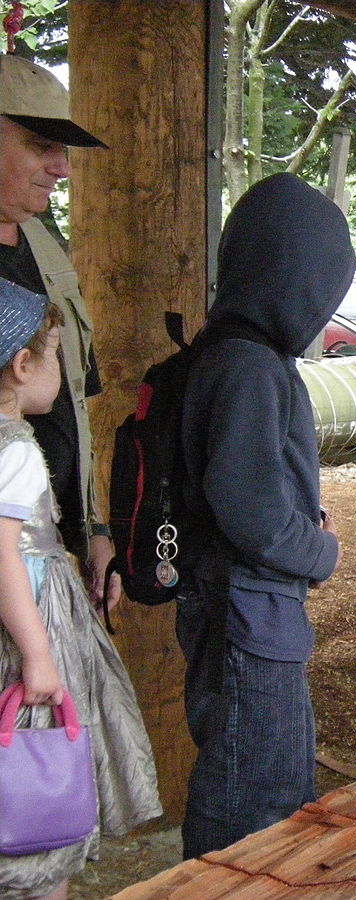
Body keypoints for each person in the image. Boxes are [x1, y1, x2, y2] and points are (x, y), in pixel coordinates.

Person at [176, 172, 353, 858]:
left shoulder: (239, 355)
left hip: (254, 612)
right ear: (289, 278)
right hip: (249, 615)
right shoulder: (247, 366)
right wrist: (322, 552)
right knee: (248, 807)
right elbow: (250, 511)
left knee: (274, 785)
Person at [0, 278, 161, 900]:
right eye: (56, 357)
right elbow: (6, 554)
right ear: (21, 365)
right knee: (37, 748)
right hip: (32, 622)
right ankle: (39, 865)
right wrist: (39, 654)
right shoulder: (14, 448)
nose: (62, 375)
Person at [0, 53, 119, 612]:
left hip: (44, 557)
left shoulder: (44, 246)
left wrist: (91, 529)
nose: (62, 167)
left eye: (62, 148)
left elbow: (73, 406)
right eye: (39, 145)